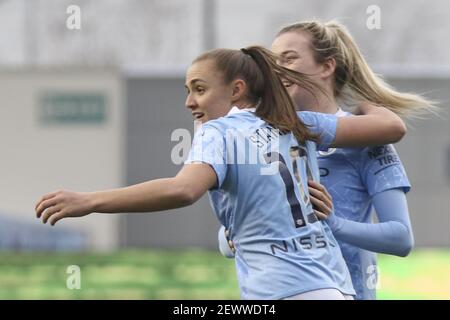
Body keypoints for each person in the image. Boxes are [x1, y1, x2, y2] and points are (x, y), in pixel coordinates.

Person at [35, 45, 407, 300]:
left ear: (236, 90)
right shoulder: (298, 122)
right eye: (187, 90)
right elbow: (390, 126)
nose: (189, 101)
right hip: (335, 286)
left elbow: (183, 191)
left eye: (199, 89)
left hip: (282, 289)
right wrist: (364, 96)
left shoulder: (219, 132)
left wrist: (90, 201)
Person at [219, 20, 436, 300]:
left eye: (290, 58)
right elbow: (226, 242)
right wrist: (235, 233)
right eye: (274, 62)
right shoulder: (264, 137)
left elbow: (401, 238)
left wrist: (334, 224)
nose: (277, 70)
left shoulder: (366, 138)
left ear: (326, 66)